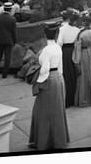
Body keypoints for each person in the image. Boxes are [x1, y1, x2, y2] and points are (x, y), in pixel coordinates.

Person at [29, 21, 69, 150]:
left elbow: (44, 69)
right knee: (57, 110)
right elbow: (61, 67)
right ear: (56, 34)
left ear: (45, 35)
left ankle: (44, 142)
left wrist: (37, 80)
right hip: (58, 78)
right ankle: (58, 140)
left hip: (48, 80)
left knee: (44, 111)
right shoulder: (57, 47)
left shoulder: (46, 50)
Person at [74, 15, 91, 107]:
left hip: (83, 54)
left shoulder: (80, 34)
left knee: (84, 76)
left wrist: (76, 62)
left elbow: (77, 49)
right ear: (90, 23)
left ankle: (85, 99)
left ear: (83, 23)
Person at [57, 8, 80, 108]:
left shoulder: (62, 29)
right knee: (73, 75)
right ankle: (72, 99)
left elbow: (59, 43)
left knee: (65, 75)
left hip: (65, 52)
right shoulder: (78, 30)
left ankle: (66, 100)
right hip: (74, 51)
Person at [0, 2, 17, 79]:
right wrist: (14, 41)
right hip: (9, 41)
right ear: (10, 9)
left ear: (4, 8)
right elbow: (14, 32)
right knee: (7, 58)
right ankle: (4, 75)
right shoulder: (12, 19)